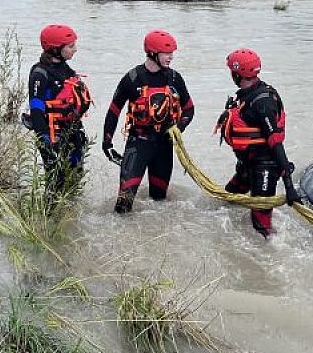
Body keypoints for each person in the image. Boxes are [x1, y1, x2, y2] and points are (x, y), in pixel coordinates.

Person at [102, 30, 194, 213]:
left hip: (164, 147)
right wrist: (107, 144)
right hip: (138, 145)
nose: (171, 57)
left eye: (172, 53)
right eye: (167, 53)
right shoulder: (132, 78)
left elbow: (189, 109)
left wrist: (178, 128)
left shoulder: (175, 78)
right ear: (152, 53)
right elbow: (113, 112)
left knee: (159, 204)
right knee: (122, 206)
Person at [217, 48, 297, 237]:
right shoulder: (246, 95)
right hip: (248, 163)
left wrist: (289, 186)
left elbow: (276, 143)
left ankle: (272, 248)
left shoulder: (263, 103)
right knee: (228, 201)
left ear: (237, 74)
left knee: (261, 226)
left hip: (265, 167)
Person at [21, 24, 91, 203]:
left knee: (75, 176)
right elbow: (36, 110)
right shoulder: (39, 73)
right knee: (56, 179)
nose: (75, 49)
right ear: (55, 49)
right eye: (71, 46)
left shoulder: (67, 70)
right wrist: (45, 139)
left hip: (72, 130)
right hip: (51, 133)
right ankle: (49, 214)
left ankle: (70, 214)